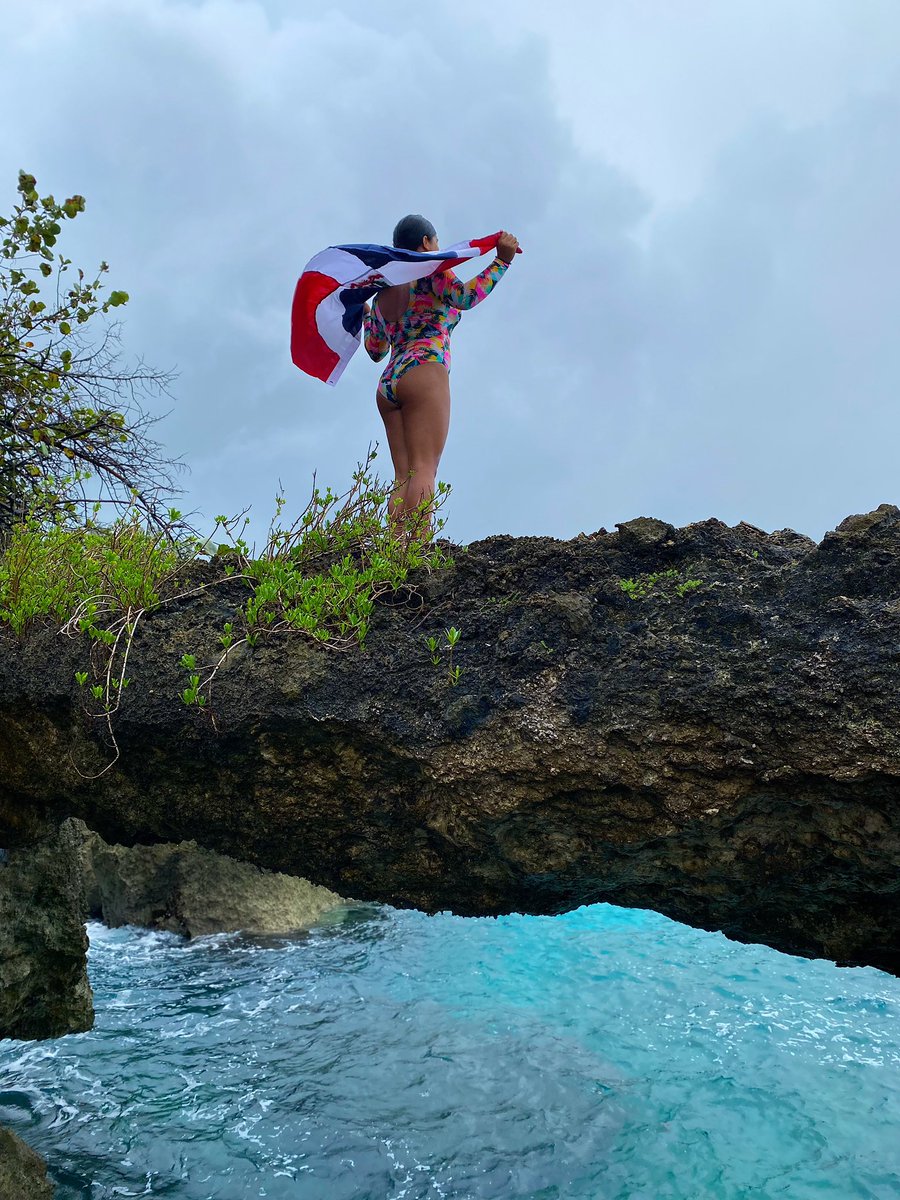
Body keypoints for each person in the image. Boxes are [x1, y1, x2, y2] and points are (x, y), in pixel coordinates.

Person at [363, 214, 518, 535]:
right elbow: (465, 297)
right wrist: (500, 262)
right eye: (435, 241)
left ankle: (394, 551)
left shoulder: (383, 294)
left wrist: (367, 316)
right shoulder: (429, 270)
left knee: (402, 475)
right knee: (424, 467)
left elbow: (375, 350)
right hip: (424, 368)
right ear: (426, 243)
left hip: (389, 382)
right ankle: (416, 555)